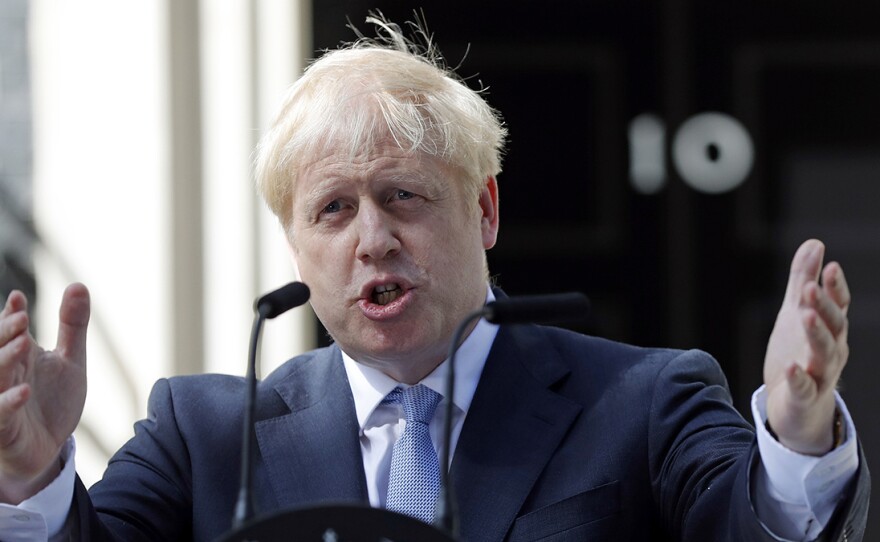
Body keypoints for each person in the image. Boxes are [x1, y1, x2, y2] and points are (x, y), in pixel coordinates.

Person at [0, 15, 869, 542]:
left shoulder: (644, 402)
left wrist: (795, 437)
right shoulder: (203, 434)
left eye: (403, 196)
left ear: (484, 210)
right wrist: (33, 479)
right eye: (333, 210)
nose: (373, 239)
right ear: (295, 248)